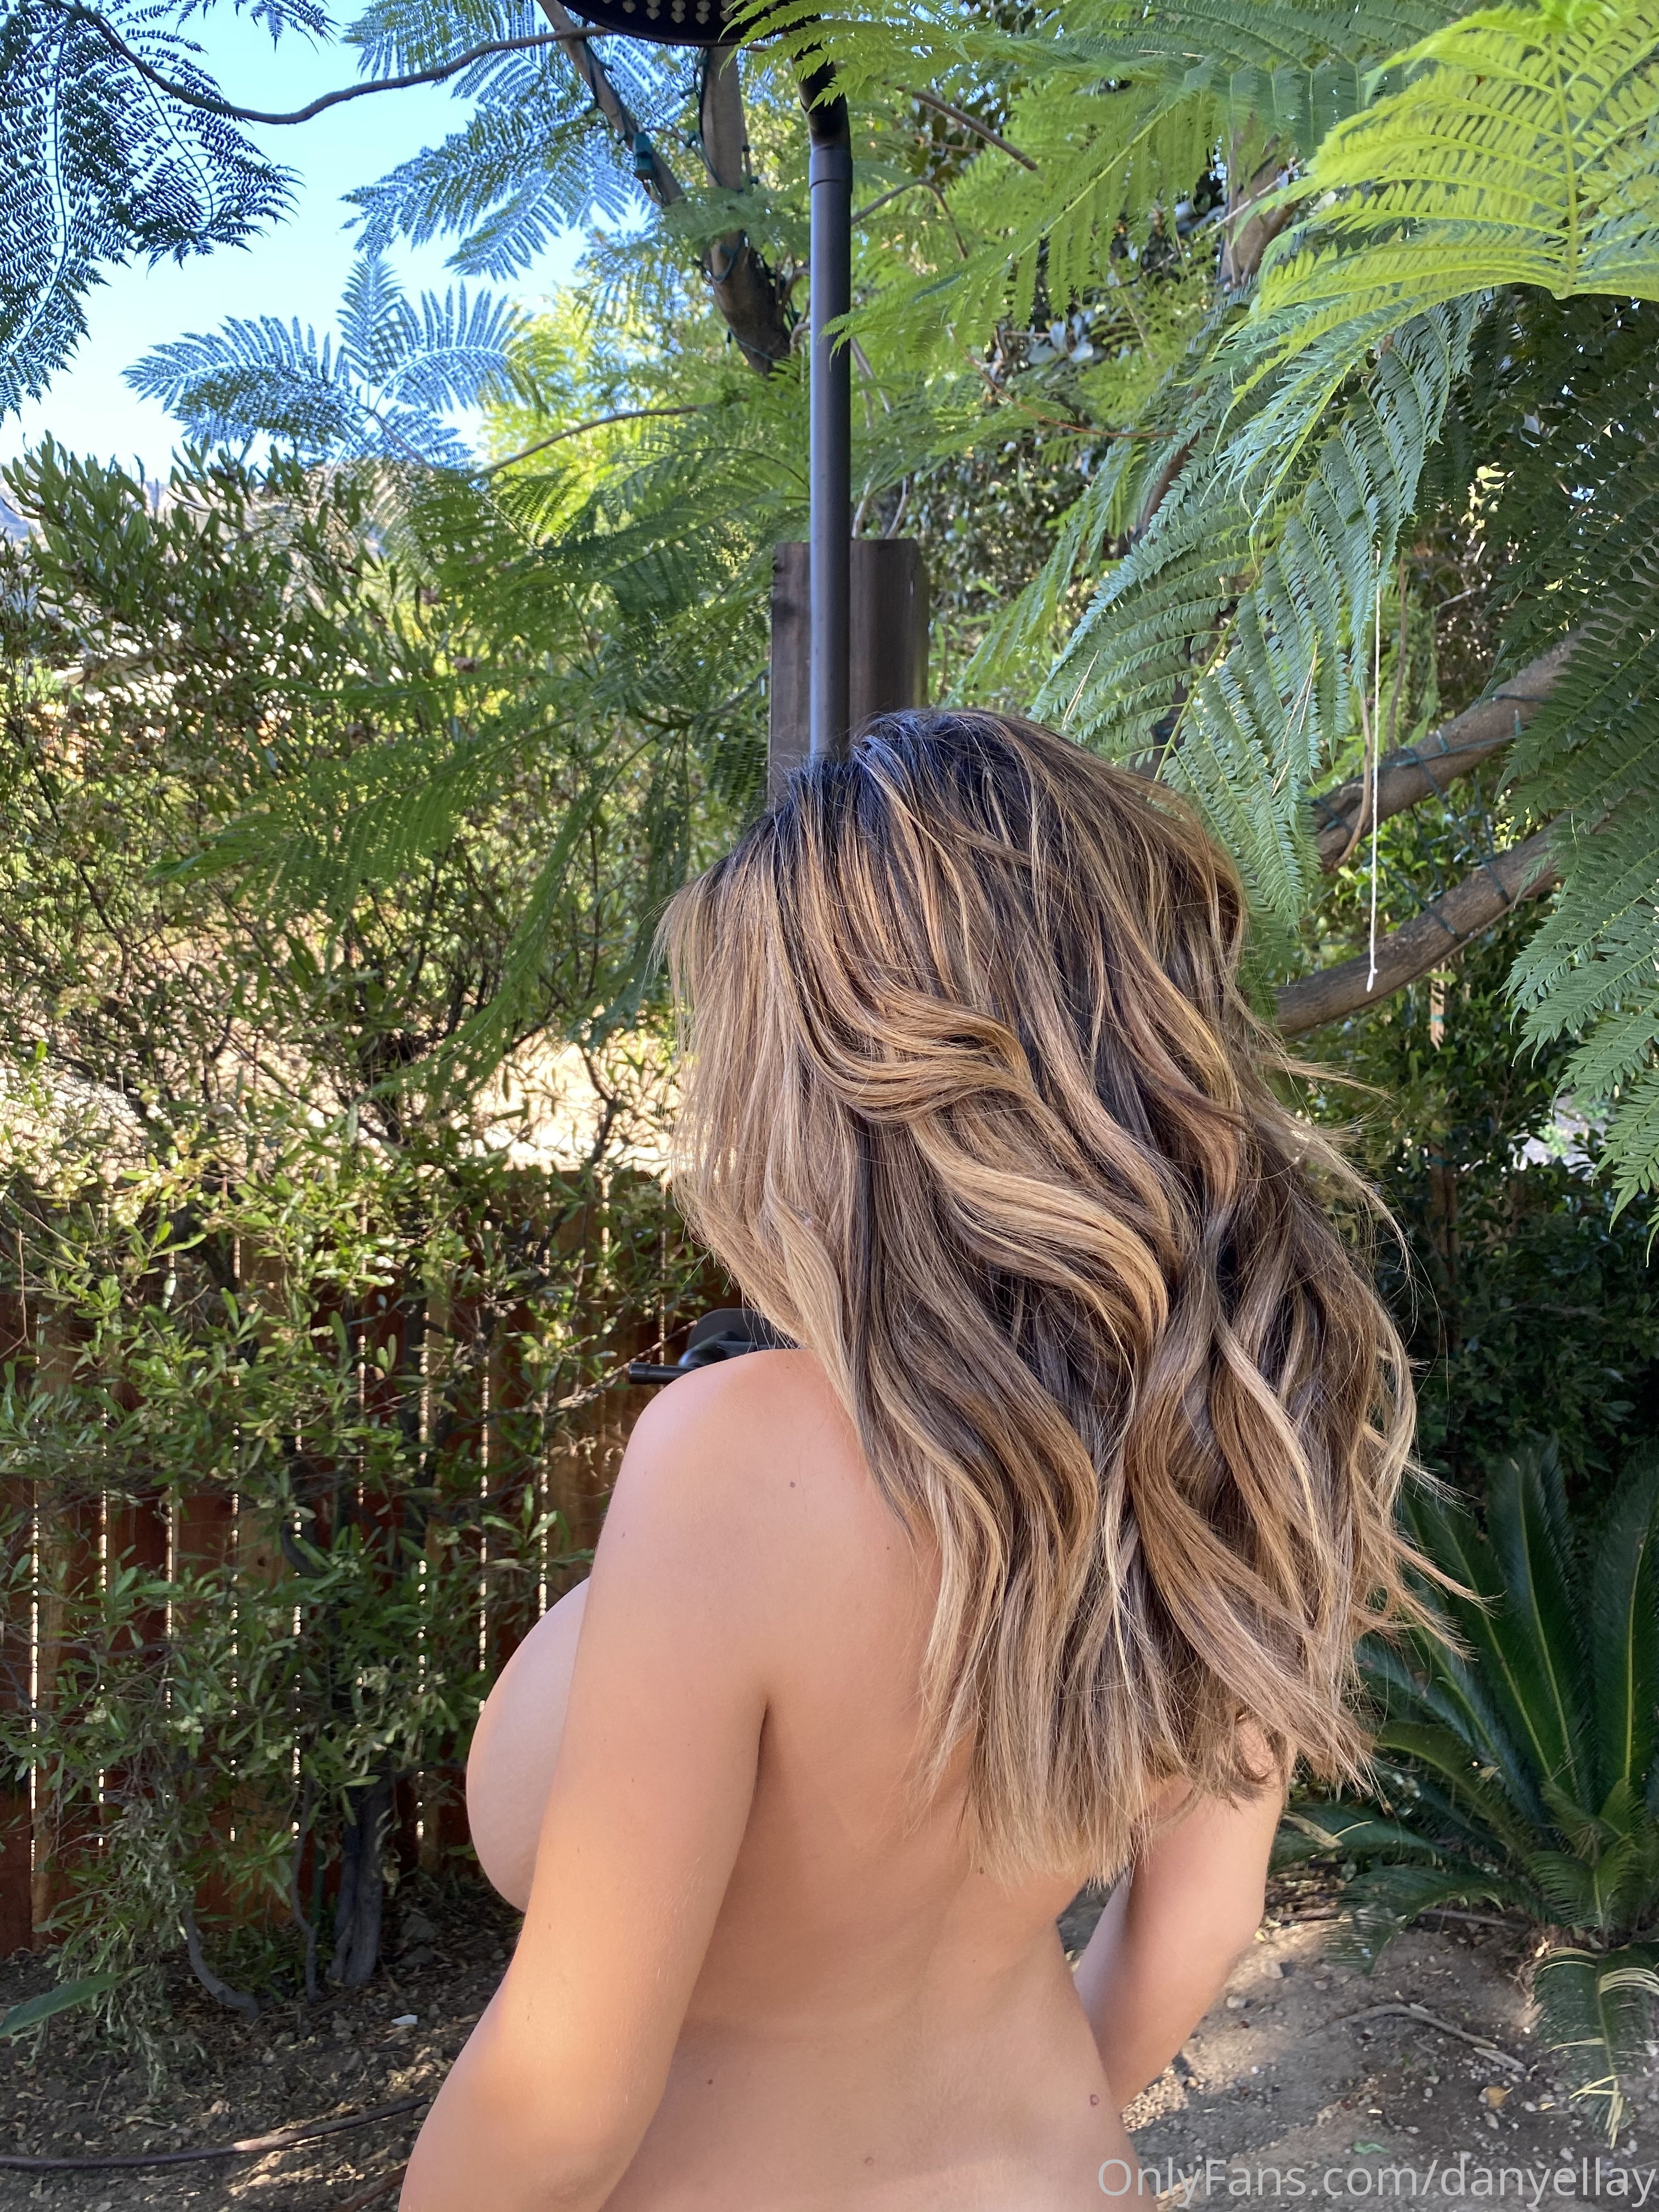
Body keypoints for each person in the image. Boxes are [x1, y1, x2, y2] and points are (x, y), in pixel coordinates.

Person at [402, 710, 1418, 2212]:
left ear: (821, 1084)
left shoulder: (740, 1461)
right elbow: (1198, 1931)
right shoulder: (1241, 1435)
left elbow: (559, 2107)